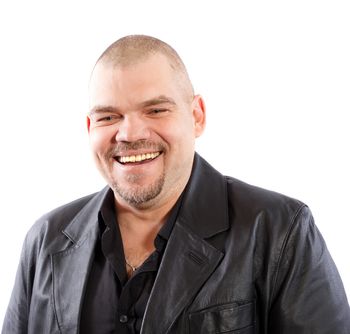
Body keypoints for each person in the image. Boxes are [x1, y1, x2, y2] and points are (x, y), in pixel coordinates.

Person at [2, 35, 350, 334]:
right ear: (89, 127)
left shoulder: (280, 231)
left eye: (155, 110)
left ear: (196, 116)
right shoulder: (45, 240)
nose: (130, 134)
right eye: (109, 116)